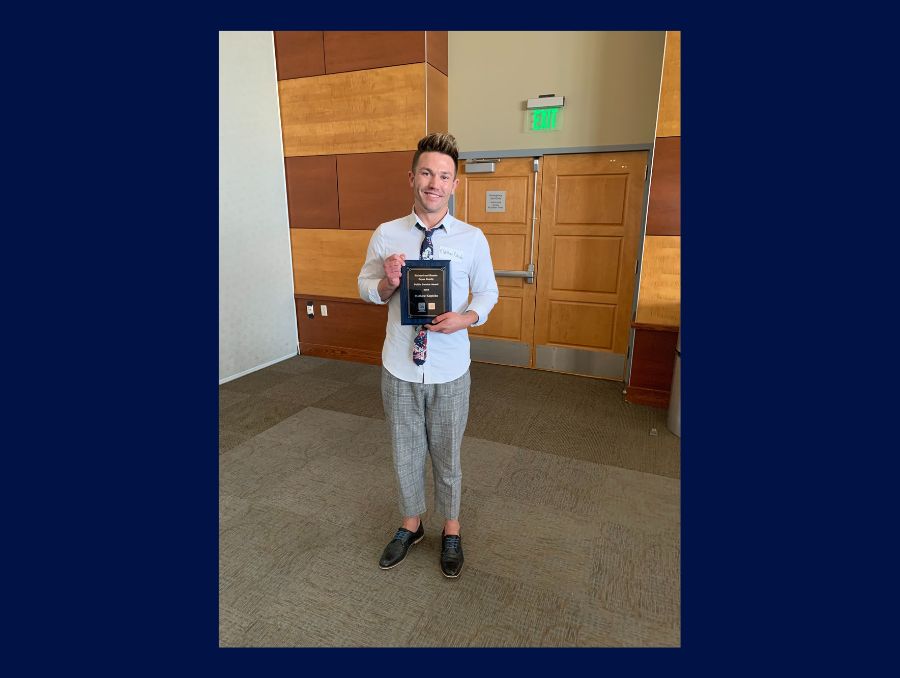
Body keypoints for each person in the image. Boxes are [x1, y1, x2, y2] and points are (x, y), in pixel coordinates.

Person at [357, 132, 498, 579]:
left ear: (454, 185)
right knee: (404, 452)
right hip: (400, 365)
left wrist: (468, 317)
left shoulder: (472, 238)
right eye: (426, 173)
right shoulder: (387, 234)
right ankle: (412, 524)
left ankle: (451, 528)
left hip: (451, 366)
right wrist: (386, 283)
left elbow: (489, 291)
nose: (433, 183)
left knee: (447, 453)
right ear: (412, 177)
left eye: (443, 176)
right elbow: (365, 287)